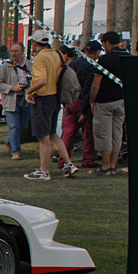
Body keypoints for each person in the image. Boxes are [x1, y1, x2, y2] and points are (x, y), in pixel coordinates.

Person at [22, 30, 78, 180]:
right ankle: (69, 164)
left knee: (43, 137)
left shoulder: (40, 58)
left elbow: (42, 80)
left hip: (43, 99)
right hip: (55, 98)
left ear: (34, 43)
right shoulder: (56, 54)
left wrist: (29, 91)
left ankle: (44, 171)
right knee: (53, 135)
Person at [91, 31, 127, 176]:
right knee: (117, 133)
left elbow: (96, 84)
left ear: (107, 43)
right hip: (122, 100)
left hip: (105, 101)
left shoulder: (105, 60)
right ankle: (113, 164)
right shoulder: (128, 57)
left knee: (104, 134)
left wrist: (92, 99)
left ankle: (106, 165)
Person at [62, 41, 101, 170]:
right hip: (82, 101)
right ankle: (89, 159)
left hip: (70, 100)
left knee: (68, 133)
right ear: (96, 53)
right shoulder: (91, 66)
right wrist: (85, 110)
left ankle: (63, 159)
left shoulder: (73, 64)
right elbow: (87, 90)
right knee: (88, 133)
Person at [0, 42, 32, 161]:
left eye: (16, 51)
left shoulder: (30, 65)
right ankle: (16, 151)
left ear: (22, 52)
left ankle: (9, 142)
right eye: (12, 51)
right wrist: (12, 88)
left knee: (23, 126)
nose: (14, 54)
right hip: (11, 99)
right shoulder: (6, 66)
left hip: (26, 99)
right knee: (14, 126)